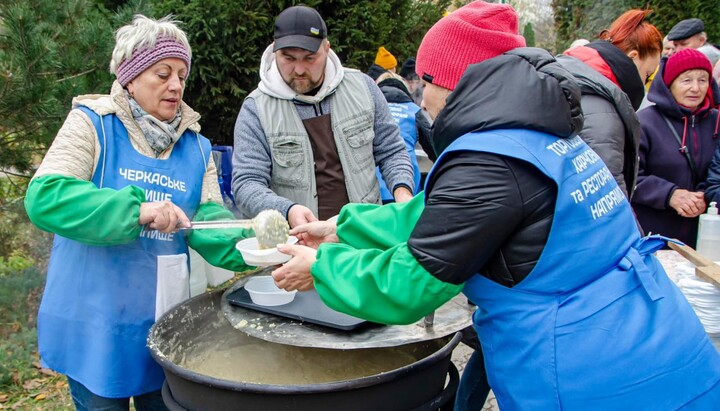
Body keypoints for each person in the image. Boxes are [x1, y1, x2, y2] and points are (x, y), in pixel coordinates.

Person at [271, 1, 720, 409]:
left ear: (455, 82)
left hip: (597, 375)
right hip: (650, 338)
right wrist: (340, 228)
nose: (421, 96)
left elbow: (411, 284)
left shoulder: (488, 164)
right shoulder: (537, 133)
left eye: (426, 81)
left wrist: (322, 267)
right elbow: (435, 212)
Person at [23, 15, 253, 410]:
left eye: (182, 74)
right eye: (163, 73)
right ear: (130, 76)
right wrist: (138, 210)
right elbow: (47, 196)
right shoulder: (92, 124)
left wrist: (258, 247)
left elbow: (210, 219)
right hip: (93, 319)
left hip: (160, 320)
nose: (176, 85)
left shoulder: (197, 147)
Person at [232, 5, 414, 227]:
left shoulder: (364, 87)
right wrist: (288, 210)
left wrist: (403, 192)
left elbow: (392, 150)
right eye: (288, 58)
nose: (299, 69)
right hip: (296, 243)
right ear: (274, 52)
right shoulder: (256, 108)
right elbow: (247, 183)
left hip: (364, 235)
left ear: (327, 49)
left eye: (309, 58)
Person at [558, 9, 662, 199]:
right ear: (632, 57)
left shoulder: (575, 76)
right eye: (648, 74)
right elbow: (606, 193)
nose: (645, 84)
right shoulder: (602, 106)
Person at [633, 48, 720, 247]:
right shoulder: (645, 123)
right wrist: (670, 194)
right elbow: (628, 177)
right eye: (686, 80)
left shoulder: (717, 122)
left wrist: (705, 195)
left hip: (706, 238)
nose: (695, 88)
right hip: (653, 235)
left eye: (702, 80)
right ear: (669, 84)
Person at [374, 71, 422, 203]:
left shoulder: (371, 108)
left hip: (374, 187)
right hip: (407, 184)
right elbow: (434, 146)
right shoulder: (413, 110)